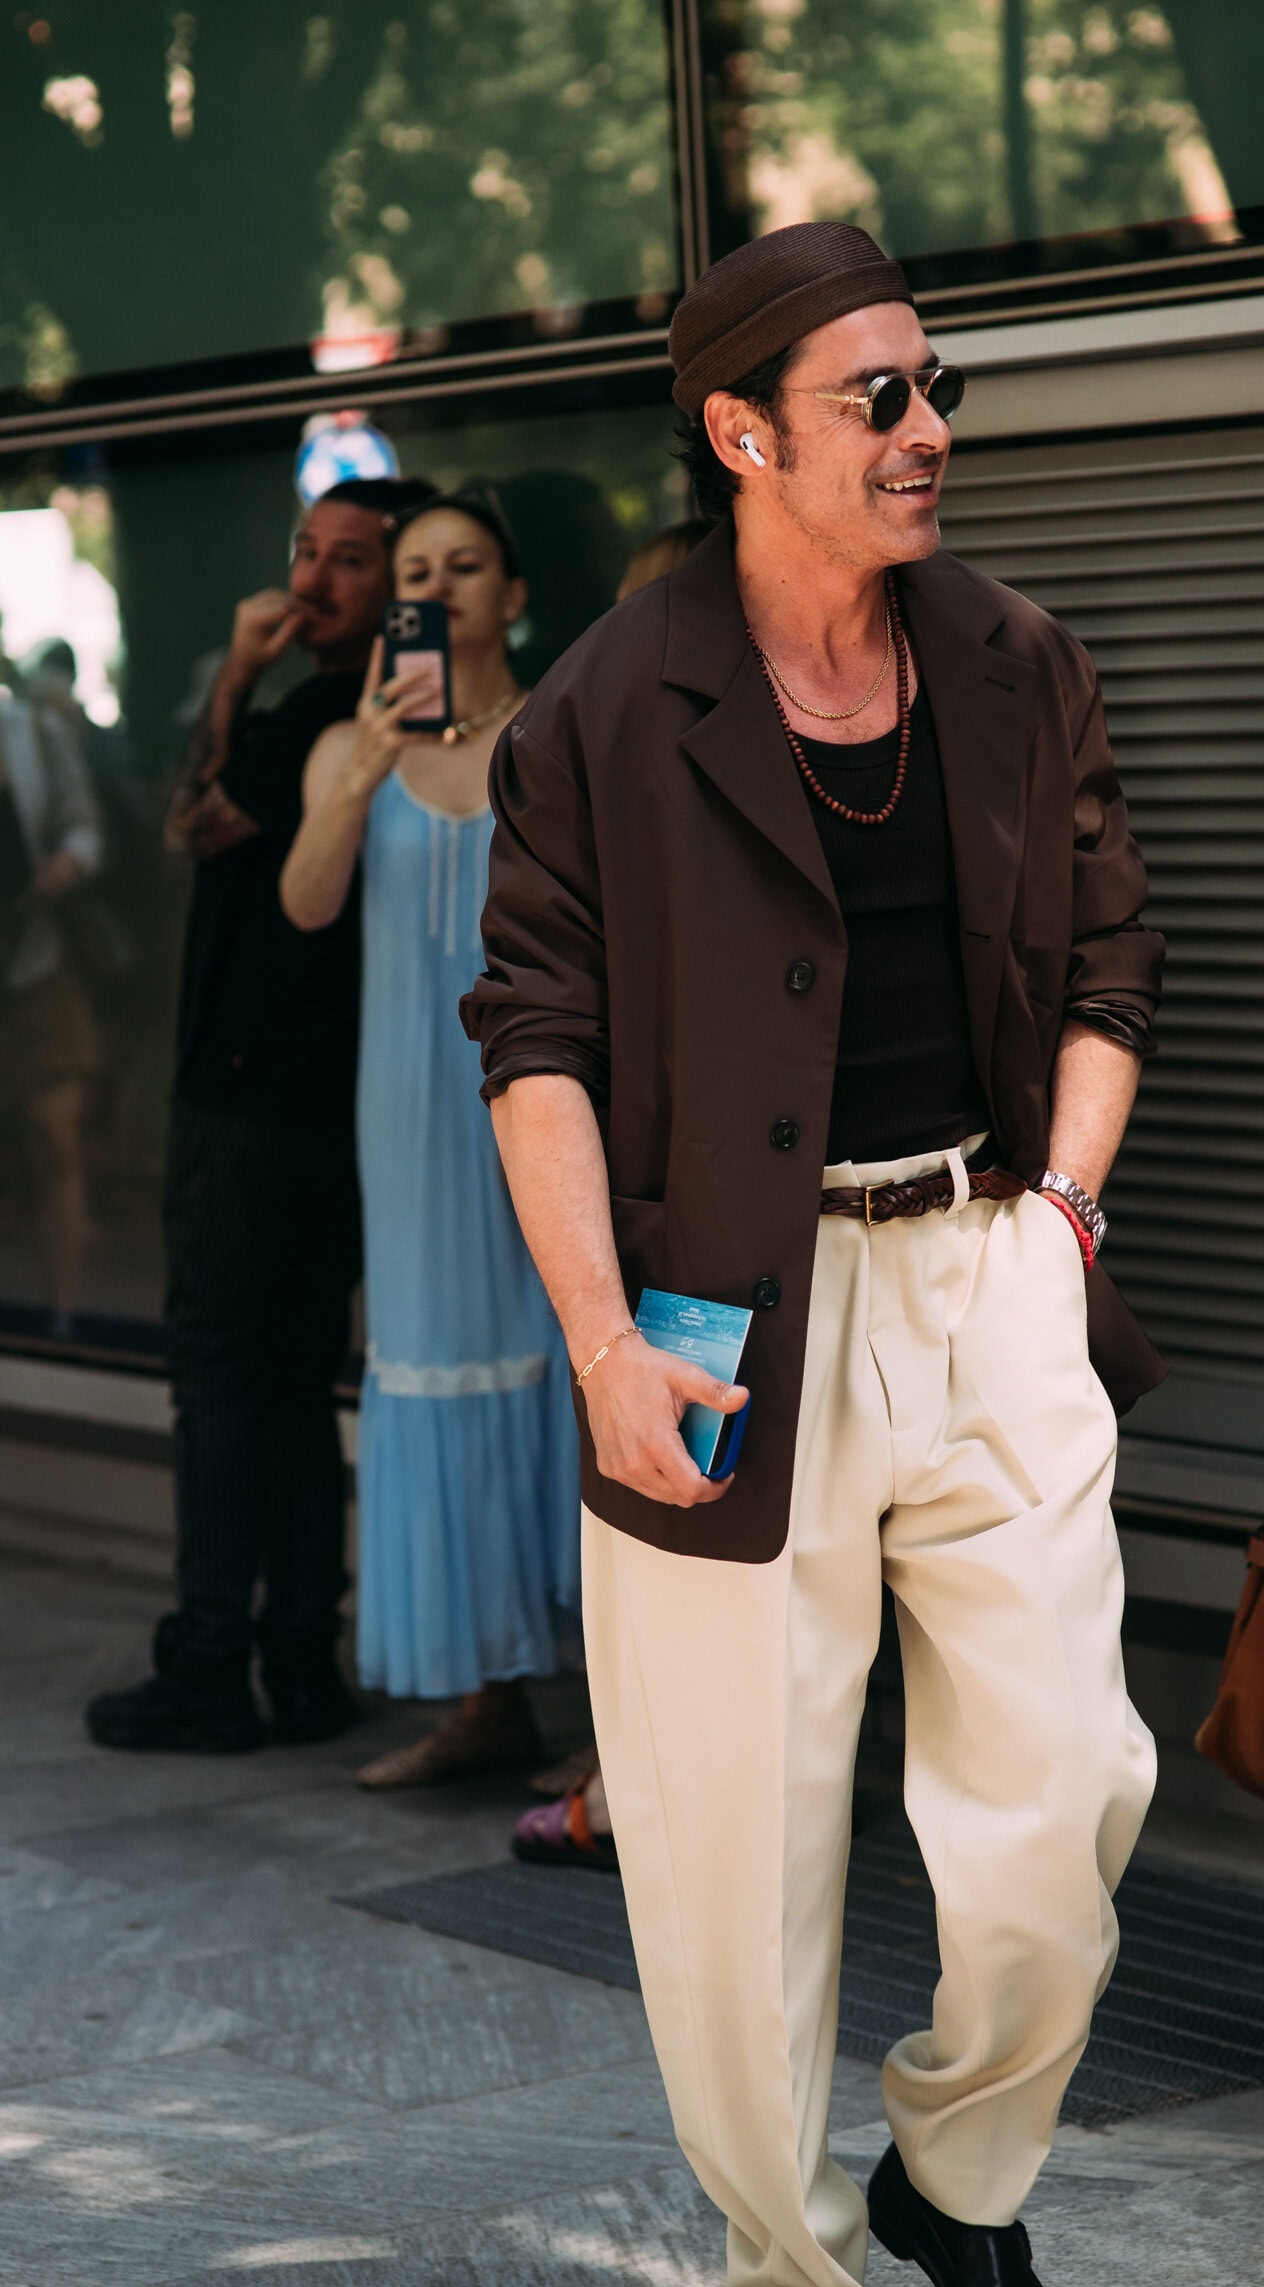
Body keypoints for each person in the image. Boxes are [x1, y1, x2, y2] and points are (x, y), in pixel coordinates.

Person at [463, 222, 1165, 2287]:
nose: (929, 427)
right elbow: (536, 1042)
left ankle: (961, 2185)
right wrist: (600, 1343)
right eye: (882, 397)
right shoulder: (601, 709)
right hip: (718, 1328)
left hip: (986, 1270)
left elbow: (1110, 961)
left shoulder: (1016, 657)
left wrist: (1060, 1221)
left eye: (937, 386)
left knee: (1068, 1795)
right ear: (743, 434)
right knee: (731, 1851)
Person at [86, 474, 430, 1756]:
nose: (310, 580)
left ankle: (214, 1660)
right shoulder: (385, 720)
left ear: (401, 587)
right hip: (335, 1104)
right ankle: (298, 1659)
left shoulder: (327, 721)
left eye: (349, 560)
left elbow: (185, 822)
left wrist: (234, 675)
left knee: (228, 1377)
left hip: (255, 1101)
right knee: (285, 1381)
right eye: (306, 550)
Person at [282, 491, 581, 1788]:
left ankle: (617, 1714)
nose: (438, 587)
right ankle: (487, 1699)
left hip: (545, 1088)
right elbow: (306, 904)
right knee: (433, 1357)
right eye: (416, 571)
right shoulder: (348, 746)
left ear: (512, 596)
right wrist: (360, 766)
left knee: (573, 1357)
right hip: (406, 1105)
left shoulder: (562, 730)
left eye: (464, 567)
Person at [510, 513, 716, 1867]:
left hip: (722, 1209)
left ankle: (642, 1771)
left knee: (696, 1516)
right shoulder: (588, 768)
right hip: (652, 1202)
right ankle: (633, 1765)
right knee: (678, 1515)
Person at [0, 665, 103, 1332]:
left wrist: (68, 864)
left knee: (55, 1137)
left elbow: (82, 825)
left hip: (32, 961)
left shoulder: (31, 729)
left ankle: (61, 1313)